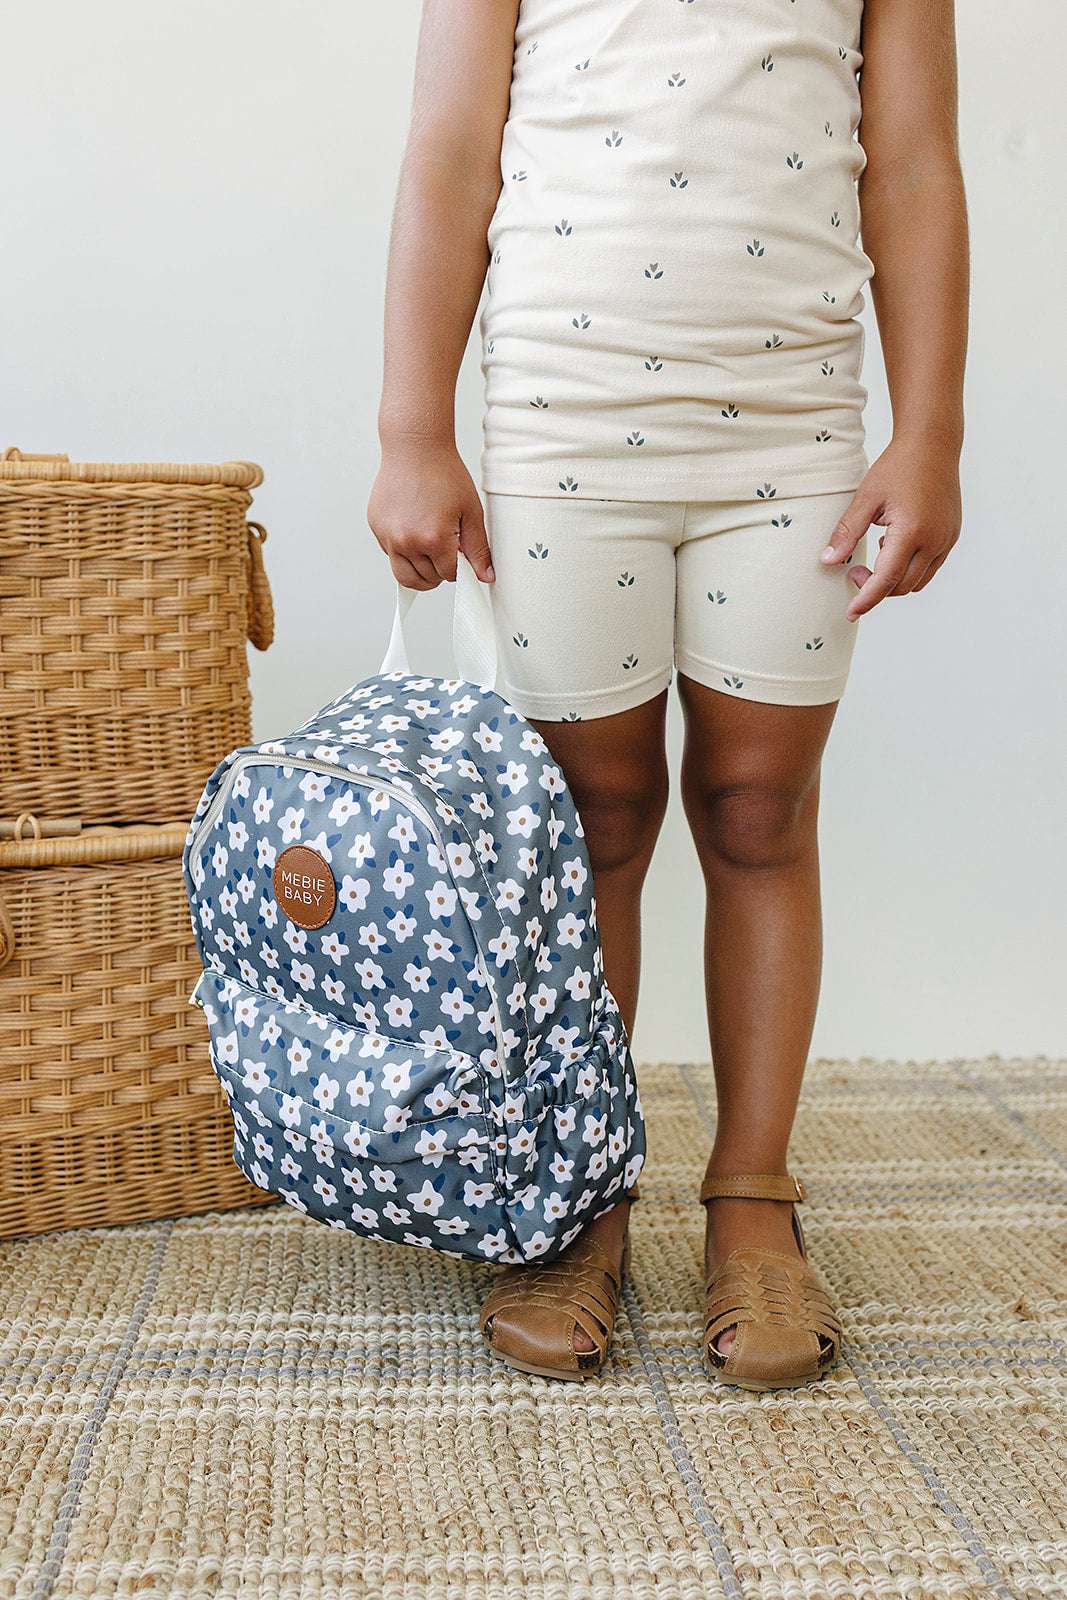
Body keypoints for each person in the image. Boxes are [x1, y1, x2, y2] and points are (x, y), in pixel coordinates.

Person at [367, 0, 967, 1389]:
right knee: (594, 820)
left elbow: (918, 161)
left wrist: (928, 431)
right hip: (562, 424)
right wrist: (413, 428)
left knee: (759, 807)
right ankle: (581, 1196)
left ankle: (752, 1192)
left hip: (792, 432)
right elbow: (450, 151)